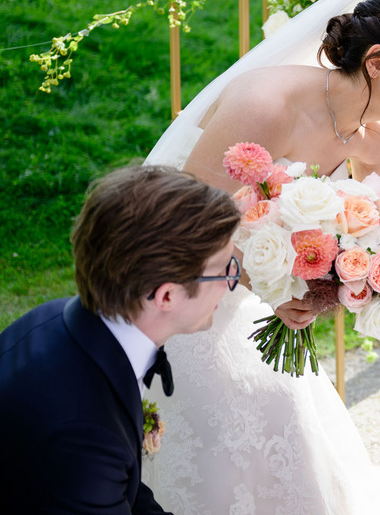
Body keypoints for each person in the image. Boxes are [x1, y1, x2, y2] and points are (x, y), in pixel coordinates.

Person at [142, 0, 380, 514]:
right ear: (377, 62)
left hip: (260, 309)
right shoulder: (266, 104)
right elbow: (181, 227)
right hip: (178, 296)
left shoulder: (379, 141)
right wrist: (267, 283)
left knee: (291, 437)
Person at [0, 165, 240, 514]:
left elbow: (122, 487)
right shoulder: (84, 432)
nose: (229, 284)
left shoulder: (57, 318)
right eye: (223, 270)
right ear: (166, 296)